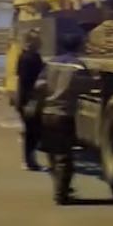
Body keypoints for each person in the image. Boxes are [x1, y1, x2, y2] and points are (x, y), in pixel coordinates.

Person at [38, 32, 87, 204]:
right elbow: (88, 87)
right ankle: (61, 194)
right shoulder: (78, 65)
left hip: (47, 113)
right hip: (64, 115)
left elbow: (39, 85)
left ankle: (57, 189)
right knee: (65, 156)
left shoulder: (51, 63)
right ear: (79, 45)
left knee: (52, 154)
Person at [15, 29, 44, 170]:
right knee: (33, 132)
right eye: (38, 40)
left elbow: (20, 79)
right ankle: (29, 162)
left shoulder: (23, 56)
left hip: (24, 99)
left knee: (31, 131)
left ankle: (29, 160)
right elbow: (29, 81)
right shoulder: (31, 58)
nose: (41, 43)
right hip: (30, 100)